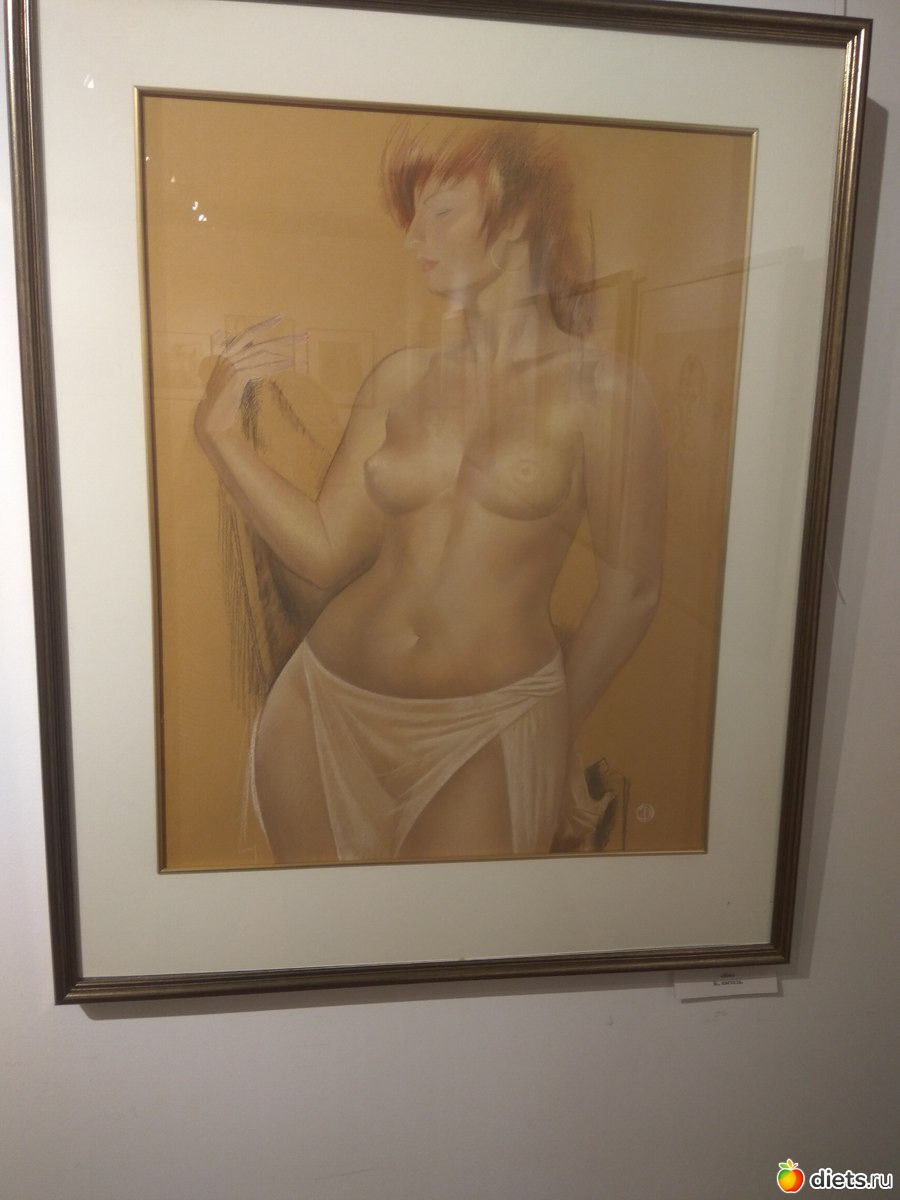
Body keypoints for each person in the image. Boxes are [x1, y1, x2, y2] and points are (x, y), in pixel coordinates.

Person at [195, 118, 666, 864]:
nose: (414, 237)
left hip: (489, 723)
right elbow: (323, 551)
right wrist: (218, 435)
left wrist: (560, 725)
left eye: (441, 212)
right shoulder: (400, 378)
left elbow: (633, 590)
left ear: (520, 214)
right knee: (317, 929)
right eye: (412, 217)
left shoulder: (604, 391)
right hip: (321, 702)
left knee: (453, 929)